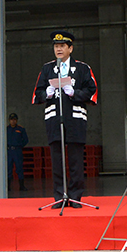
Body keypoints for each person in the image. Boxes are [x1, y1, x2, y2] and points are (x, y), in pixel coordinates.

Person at [32, 30, 97, 208]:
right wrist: (47, 93)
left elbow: (92, 91)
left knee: (76, 159)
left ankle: (75, 196)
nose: (58, 49)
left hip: (75, 118)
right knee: (57, 159)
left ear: (70, 48)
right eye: (56, 46)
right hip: (54, 118)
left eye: (62, 46)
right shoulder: (47, 69)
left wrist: (75, 93)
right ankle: (60, 196)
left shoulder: (83, 68)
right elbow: (36, 94)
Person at [7, 112, 29, 191]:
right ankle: (8, 186)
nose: (13, 121)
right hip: (9, 151)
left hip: (17, 151)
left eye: (14, 120)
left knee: (19, 168)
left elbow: (26, 140)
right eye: (11, 120)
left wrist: (20, 145)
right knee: (8, 168)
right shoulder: (6, 129)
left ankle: (21, 186)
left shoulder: (20, 129)